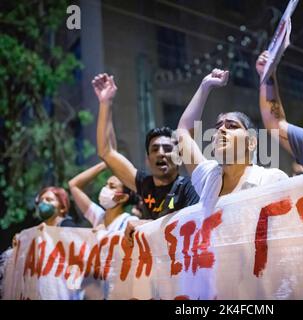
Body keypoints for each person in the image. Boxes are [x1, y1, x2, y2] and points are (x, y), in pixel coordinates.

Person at [93, 73, 199, 243]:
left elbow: (193, 225)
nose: (161, 153)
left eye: (167, 148)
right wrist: (105, 103)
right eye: (155, 149)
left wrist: (147, 224)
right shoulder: (144, 184)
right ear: (147, 159)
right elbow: (106, 152)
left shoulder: (190, 187)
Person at [177, 69, 288, 207]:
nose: (221, 130)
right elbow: (183, 132)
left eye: (232, 126)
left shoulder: (271, 180)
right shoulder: (209, 179)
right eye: (218, 127)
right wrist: (205, 85)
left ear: (252, 142)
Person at [69, 162, 139, 232]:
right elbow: (73, 185)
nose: (105, 189)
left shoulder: (129, 222)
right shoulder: (99, 217)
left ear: (123, 198)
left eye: (112, 187)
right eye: (106, 184)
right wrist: (105, 163)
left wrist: (102, 234)